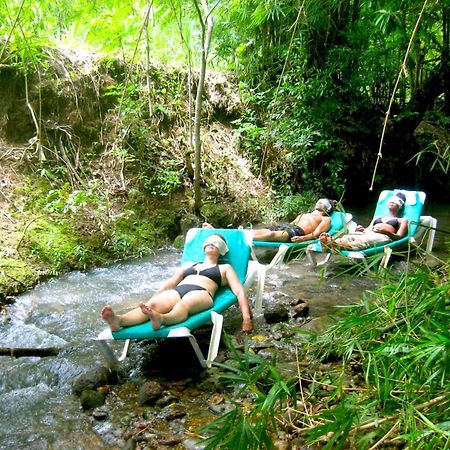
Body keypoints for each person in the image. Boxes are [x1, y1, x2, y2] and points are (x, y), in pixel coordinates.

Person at [101, 234, 253, 333]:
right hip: (179, 290)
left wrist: (246, 319)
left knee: (183, 305)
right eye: (209, 241)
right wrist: (150, 303)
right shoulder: (190, 265)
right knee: (154, 305)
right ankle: (118, 321)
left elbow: (239, 291)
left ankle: (162, 319)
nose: (212, 243)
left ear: (222, 249)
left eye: (217, 241)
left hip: (202, 293)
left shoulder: (225, 268)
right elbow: (170, 283)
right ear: (204, 246)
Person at [319, 192, 408, 251]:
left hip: (383, 236)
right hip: (368, 233)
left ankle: (335, 245)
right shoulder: (378, 217)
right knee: (348, 236)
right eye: (391, 201)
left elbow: (399, 237)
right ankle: (333, 243)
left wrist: (386, 232)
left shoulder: (402, 220)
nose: (392, 203)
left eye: (395, 202)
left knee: (364, 240)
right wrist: (361, 229)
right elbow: (368, 229)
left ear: (400, 206)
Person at [249, 198, 336, 243]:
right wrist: (278, 227)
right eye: (319, 201)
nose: (320, 202)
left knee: (271, 234)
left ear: (327, 209)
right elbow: (291, 223)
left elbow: (317, 233)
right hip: (288, 227)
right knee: (261, 231)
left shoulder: (326, 219)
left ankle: (244, 239)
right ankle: (239, 233)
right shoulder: (305, 214)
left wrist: (302, 238)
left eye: (323, 203)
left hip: (297, 231)